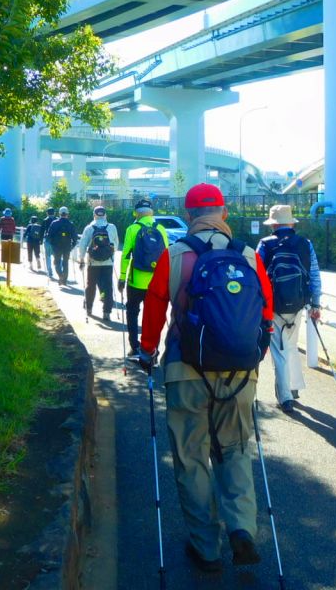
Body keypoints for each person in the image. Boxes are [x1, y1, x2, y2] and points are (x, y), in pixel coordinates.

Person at [139, 183, 274, 573]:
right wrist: (252, 359)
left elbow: (153, 309)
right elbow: (266, 313)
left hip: (185, 370)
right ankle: (243, 529)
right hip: (240, 372)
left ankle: (206, 548)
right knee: (234, 450)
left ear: (188, 213)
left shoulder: (175, 254)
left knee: (191, 456)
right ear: (225, 212)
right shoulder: (249, 255)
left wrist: (148, 352)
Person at [257, 204, 322, 414]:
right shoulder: (305, 244)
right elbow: (314, 275)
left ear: (273, 225)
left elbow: (257, 275)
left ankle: (285, 398)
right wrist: (316, 303)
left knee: (279, 350)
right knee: (290, 345)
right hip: (298, 304)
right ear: (291, 223)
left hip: (273, 305)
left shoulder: (265, 245)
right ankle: (293, 389)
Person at [118, 198, 169, 355]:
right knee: (153, 316)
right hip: (155, 283)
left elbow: (125, 255)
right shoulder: (160, 228)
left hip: (136, 282)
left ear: (136, 213)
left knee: (132, 312)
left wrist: (122, 277)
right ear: (151, 213)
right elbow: (166, 255)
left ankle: (135, 347)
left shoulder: (133, 229)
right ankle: (152, 348)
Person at [77, 206, 119, 322]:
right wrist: (109, 254)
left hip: (92, 263)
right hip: (108, 263)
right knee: (108, 287)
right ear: (105, 215)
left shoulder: (89, 228)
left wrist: (81, 260)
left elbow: (82, 246)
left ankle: (89, 308)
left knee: (91, 286)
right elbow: (115, 244)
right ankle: (106, 312)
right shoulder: (112, 227)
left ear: (94, 215)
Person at [46, 206, 77, 286]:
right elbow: (75, 237)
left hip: (56, 246)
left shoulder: (54, 223)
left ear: (59, 214)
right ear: (67, 214)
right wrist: (72, 245)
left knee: (57, 262)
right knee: (65, 262)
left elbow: (49, 236)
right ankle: (64, 280)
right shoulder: (71, 224)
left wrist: (51, 243)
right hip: (67, 246)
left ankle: (60, 275)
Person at [41, 207, 57, 277]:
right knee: (57, 256)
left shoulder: (45, 220)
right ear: (54, 213)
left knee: (48, 256)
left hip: (47, 240)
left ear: (47, 213)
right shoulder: (57, 220)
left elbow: (41, 231)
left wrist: (40, 240)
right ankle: (59, 270)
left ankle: (49, 271)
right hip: (56, 241)